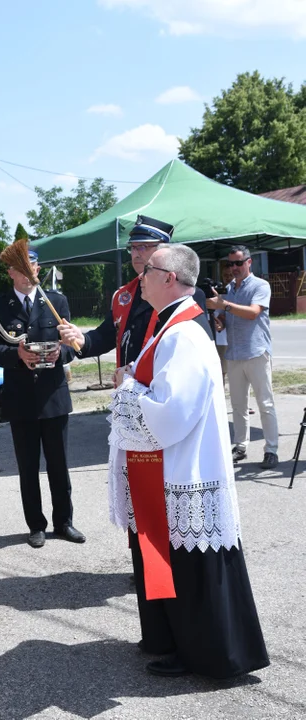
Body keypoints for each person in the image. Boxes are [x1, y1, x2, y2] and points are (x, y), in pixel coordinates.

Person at [108, 244, 269, 680]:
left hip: (185, 469)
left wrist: (127, 390)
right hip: (172, 465)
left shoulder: (182, 332)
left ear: (169, 278)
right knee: (180, 561)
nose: (139, 275)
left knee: (192, 565)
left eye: (149, 269)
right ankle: (175, 640)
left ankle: (205, 654)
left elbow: (171, 410)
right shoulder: (171, 325)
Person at [0, 249, 85, 549]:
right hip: (21, 399)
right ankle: (36, 525)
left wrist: (59, 353)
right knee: (27, 467)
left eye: (33, 266)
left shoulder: (56, 301)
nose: (29, 273)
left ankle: (64, 522)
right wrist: (17, 354)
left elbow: (73, 343)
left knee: (59, 464)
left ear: (39, 268)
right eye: (21, 268)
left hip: (53, 396)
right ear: (11, 273)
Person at [58, 215, 209, 365]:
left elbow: (198, 351)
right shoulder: (124, 294)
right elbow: (107, 336)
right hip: (129, 386)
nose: (136, 254)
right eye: (133, 248)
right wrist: (83, 340)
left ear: (164, 250)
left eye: (143, 246)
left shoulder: (185, 293)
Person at [206, 245, 279, 469]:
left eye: (239, 262)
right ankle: (240, 446)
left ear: (249, 262)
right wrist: (219, 320)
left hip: (256, 352)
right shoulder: (230, 288)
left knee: (265, 403)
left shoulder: (261, 285)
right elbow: (226, 318)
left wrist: (224, 306)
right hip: (235, 353)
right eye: (231, 264)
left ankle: (271, 450)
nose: (234, 268)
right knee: (238, 405)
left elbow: (253, 312)